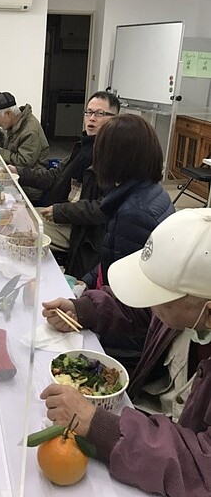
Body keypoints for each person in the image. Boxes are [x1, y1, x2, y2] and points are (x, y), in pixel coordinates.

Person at [41, 208, 211, 497]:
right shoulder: (191, 303)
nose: (150, 303)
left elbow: (200, 467)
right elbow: (145, 310)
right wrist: (84, 309)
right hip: (150, 424)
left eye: (160, 298)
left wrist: (99, 426)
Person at [43, 114, 174, 372]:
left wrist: (83, 309)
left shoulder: (134, 213)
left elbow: (130, 300)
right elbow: (113, 265)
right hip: (117, 311)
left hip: (126, 340)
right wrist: (86, 282)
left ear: (114, 158)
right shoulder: (146, 194)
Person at [10, 91, 121, 278]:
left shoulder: (112, 156)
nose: (91, 118)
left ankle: (27, 283)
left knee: (19, 229)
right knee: (12, 215)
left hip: (83, 231)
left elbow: (104, 208)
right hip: (64, 215)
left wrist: (60, 211)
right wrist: (19, 172)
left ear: (115, 119)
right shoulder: (83, 147)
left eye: (100, 114)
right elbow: (53, 176)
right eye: (88, 112)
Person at [0, 91, 49, 203]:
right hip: (16, 181)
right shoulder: (16, 123)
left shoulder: (30, 131)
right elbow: (13, 147)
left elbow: (23, 161)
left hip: (28, 189)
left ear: (8, 114)